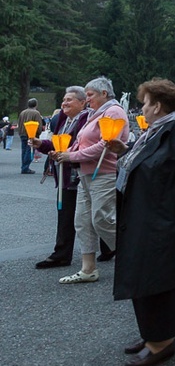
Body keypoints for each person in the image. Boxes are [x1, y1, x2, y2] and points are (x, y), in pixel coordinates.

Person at [103, 79, 175, 366]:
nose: (141, 108)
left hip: (168, 219)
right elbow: (151, 164)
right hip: (148, 216)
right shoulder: (156, 131)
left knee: (159, 277)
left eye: (144, 103)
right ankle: (152, 332)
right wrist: (124, 149)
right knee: (145, 275)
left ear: (157, 105)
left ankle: (162, 341)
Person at [52, 77, 129, 284]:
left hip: (104, 173)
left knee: (101, 218)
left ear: (104, 93)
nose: (87, 99)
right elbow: (80, 141)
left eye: (90, 95)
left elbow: (105, 145)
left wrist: (72, 157)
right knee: (83, 221)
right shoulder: (95, 114)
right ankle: (88, 268)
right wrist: (64, 152)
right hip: (85, 174)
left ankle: (134, 256)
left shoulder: (114, 112)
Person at [31, 87, 89, 269]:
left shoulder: (87, 120)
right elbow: (58, 143)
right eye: (64, 99)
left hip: (78, 173)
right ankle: (62, 253)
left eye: (69, 100)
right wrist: (41, 144)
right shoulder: (63, 119)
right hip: (64, 172)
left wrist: (63, 152)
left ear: (82, 102)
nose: (64, 103)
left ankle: (108, 246)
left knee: (89, 215)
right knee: (66, 213)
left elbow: (79, 145)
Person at [18, 98, 44, 174]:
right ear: (36, 104)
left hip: (22, 133)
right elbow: (38, 124)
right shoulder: (36, 113)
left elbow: (19, 123)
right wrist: (38, 133)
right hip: (31, 134)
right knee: (29, 150)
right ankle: (25, 167)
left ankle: (24, 166)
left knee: (24, 150)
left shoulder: (22, 112)